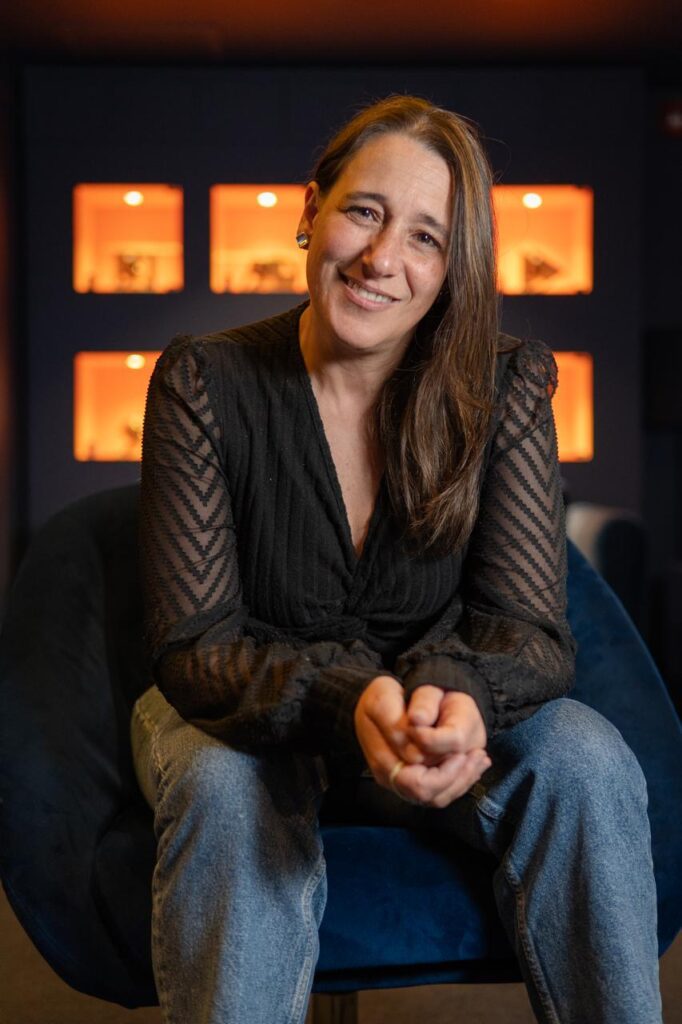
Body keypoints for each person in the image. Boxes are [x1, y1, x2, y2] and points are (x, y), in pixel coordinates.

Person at [130, 95, 662, 1024]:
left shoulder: (507, 384)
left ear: (454, 267)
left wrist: (452, 697)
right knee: (219, 780)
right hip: (240, 715)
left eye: (426, 237)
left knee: (587, 755)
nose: (382, 258)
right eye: (365, 212)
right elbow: (196, 646)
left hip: (434, 715)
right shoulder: (203, 380)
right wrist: (351, 699)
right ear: (312, 211)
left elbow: (529, 631)